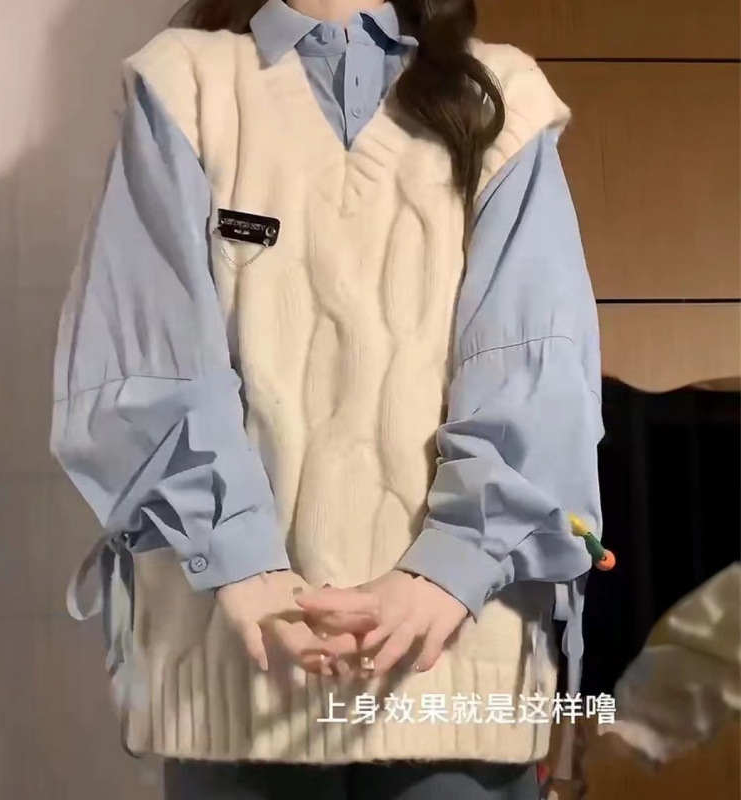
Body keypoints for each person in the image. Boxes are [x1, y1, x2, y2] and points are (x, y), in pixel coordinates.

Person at [50, 0, 605, 797]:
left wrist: (452, 566)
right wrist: (242, 561)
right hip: (236, 665)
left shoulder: (502, 95)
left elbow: (538, 362)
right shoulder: (182, 83)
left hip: (458, 662)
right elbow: (140, 357)